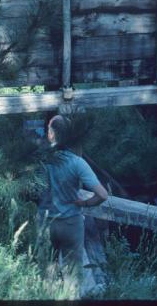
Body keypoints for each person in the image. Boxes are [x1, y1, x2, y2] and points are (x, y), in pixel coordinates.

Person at [37, 115, 108, 280]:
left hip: (46, 223)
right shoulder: (77, 162)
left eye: (49, 129)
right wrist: (84, 203)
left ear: (51, 135)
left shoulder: (40, 160)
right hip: (71, 223)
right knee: (73, 276)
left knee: (48, 275)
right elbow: (102, 195)